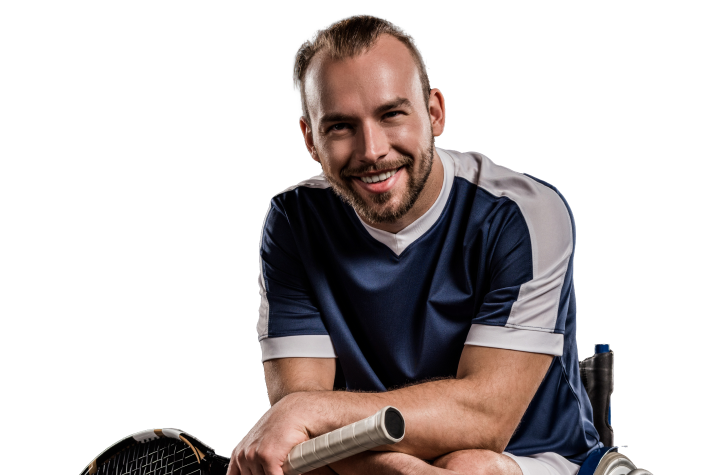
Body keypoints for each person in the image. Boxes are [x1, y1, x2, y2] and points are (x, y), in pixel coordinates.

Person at [229, 15, 601, 475]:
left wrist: (311, 414)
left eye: (391, 115)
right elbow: (301, 428)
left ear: (435, 113)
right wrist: (406, 472)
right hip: (366, 463)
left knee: (472, 463)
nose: (371, 150)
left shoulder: (525, 213)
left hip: (537, 458)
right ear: (310, 139)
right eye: (341, 126)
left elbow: (485, 419)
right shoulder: (292, 221)